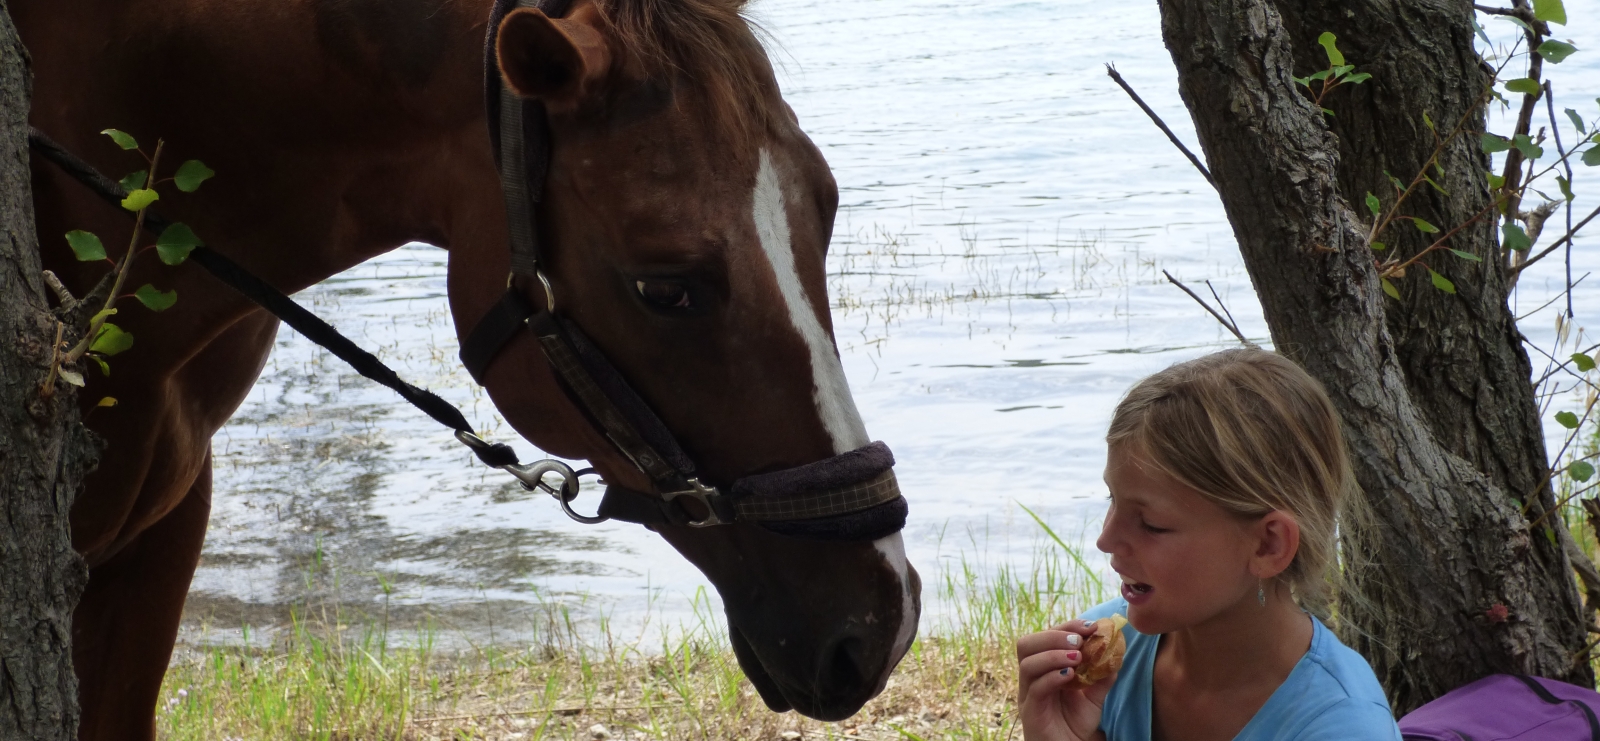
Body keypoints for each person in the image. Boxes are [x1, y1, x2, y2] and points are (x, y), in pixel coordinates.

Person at [1015, 349, 1400, 741]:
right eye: (1112, 500)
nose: (1105, 540)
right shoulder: (1108, 661)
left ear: (1268, 544)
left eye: (1151, 524)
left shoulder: (1343, 727)